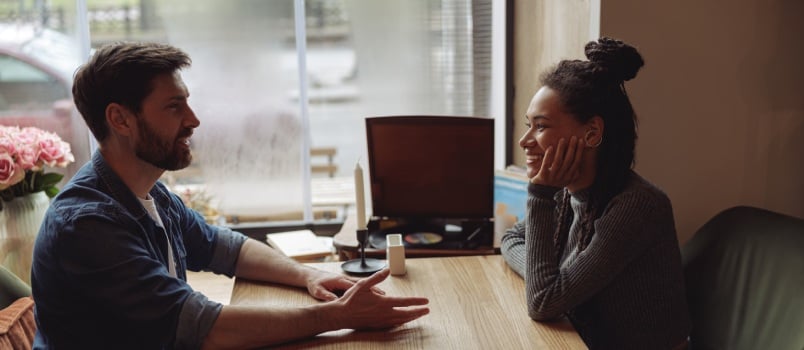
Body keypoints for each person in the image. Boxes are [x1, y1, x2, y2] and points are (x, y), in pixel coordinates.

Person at [31, 42, 429, 349]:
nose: (193, 119)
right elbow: (203, 328)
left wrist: (312, 276)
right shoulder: (87, 226)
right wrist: (337, 316)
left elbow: (224, 247)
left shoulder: (148, 192)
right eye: (174, 107)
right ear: (120, 119)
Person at [500, 37, 690, 350]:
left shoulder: (638, 205)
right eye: (528, 125)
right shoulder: (567, 192)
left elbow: (543, 301)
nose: (524, 140)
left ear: (592, 132)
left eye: (541, 126)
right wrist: (545, 276)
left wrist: (539, 195)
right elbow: (512, 239)